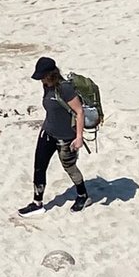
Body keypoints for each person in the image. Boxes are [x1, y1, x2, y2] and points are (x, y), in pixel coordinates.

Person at [20, 56, 90, 214]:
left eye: (43, 77)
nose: (41, 80)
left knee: (69, 167)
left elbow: (79, 112)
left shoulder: (65, 89)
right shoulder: (46, 86)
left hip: (66, 137)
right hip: (47, 132)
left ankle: (83, 195)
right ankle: (37, 203)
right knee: (39, 166)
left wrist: (79, 137)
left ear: (51, 75)